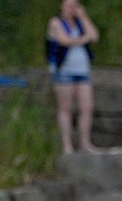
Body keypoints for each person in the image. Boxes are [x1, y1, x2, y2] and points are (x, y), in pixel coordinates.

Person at [46, 0, 99, 154]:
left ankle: (85, 143)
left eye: (74, 5)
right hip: (64, 73)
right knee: (65, 109)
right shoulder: (56, 23)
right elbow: (65, 41)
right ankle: (67, 145)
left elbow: (94, 36)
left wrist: (83, 17)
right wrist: (84, 39)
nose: (71, 9)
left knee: (87, 108)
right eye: (68, 5)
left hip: (82, 72)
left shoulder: (80, 23)